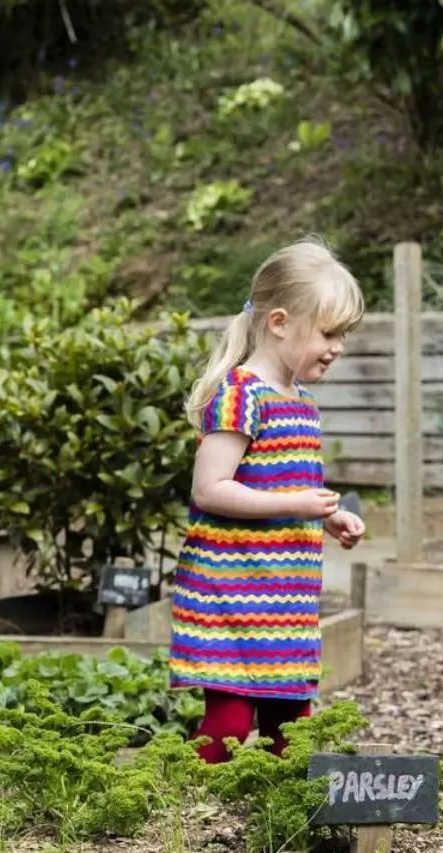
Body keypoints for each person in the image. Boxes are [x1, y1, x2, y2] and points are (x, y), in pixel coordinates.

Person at [170, 240, 367, 763]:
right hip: (232, 592)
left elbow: (288, 488)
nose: (338, 347)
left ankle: (280, 826)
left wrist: (329, 516)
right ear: (280, 322)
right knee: (230, 723)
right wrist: (296, 503)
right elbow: (210, 489)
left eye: (342, 336)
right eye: (329, 333)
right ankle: (190, 815)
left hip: (283, 598)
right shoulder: (241, 395)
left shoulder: (301, 404)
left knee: (290, 722)